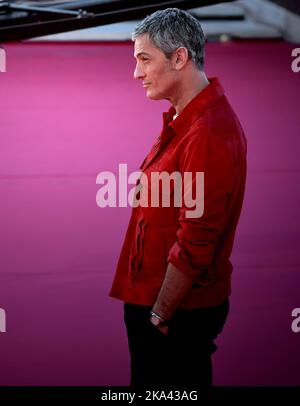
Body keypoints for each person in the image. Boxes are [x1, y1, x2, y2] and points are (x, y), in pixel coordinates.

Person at [109, 8, 247, 387]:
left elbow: (196, 241)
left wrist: (158, 316)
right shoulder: (187, 117)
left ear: (180, 57)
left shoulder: (206, 135)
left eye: (144, 59)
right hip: (161, 305)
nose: (137, 73)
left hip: (172, 314)